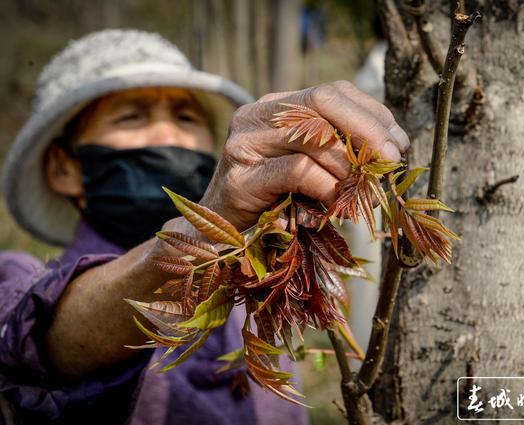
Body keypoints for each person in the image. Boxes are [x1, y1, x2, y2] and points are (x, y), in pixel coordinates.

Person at [0, 29, 409, 424]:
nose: (169, 136)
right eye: (131, 117)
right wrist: (206, 229)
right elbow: (40, 344)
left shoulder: (255, 294)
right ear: (62, 167)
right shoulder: (16, 277)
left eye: (185, 116)